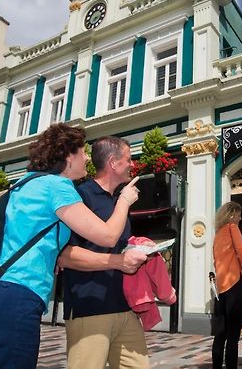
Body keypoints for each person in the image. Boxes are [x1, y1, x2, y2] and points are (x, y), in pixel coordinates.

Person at [0, 124, 141, 369]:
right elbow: (107, 236)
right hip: (17, 297)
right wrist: (124, 201)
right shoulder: (57, 187)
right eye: (82, 152)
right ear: (67, 156)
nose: (87, 158)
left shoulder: (25, 183)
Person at [59, 136, 149, 369]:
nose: (132, 164)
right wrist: (119, 261)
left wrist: (138, 247)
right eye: (128, 159)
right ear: (113, 162)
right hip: (89, 309)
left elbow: (115, 245)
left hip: (124, 307)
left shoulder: (119, 200)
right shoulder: (79, 196)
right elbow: (64, 255)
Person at [212, 201, 242, 369]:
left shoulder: (218, 234)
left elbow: (218, 261)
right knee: (233, 334)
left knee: (220, 333)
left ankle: (216, 366)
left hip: (221, 288)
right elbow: (241, 252)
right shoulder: (232, 228)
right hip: (234, 285)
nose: (241, 218)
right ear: (232, 214)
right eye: (239, 214)